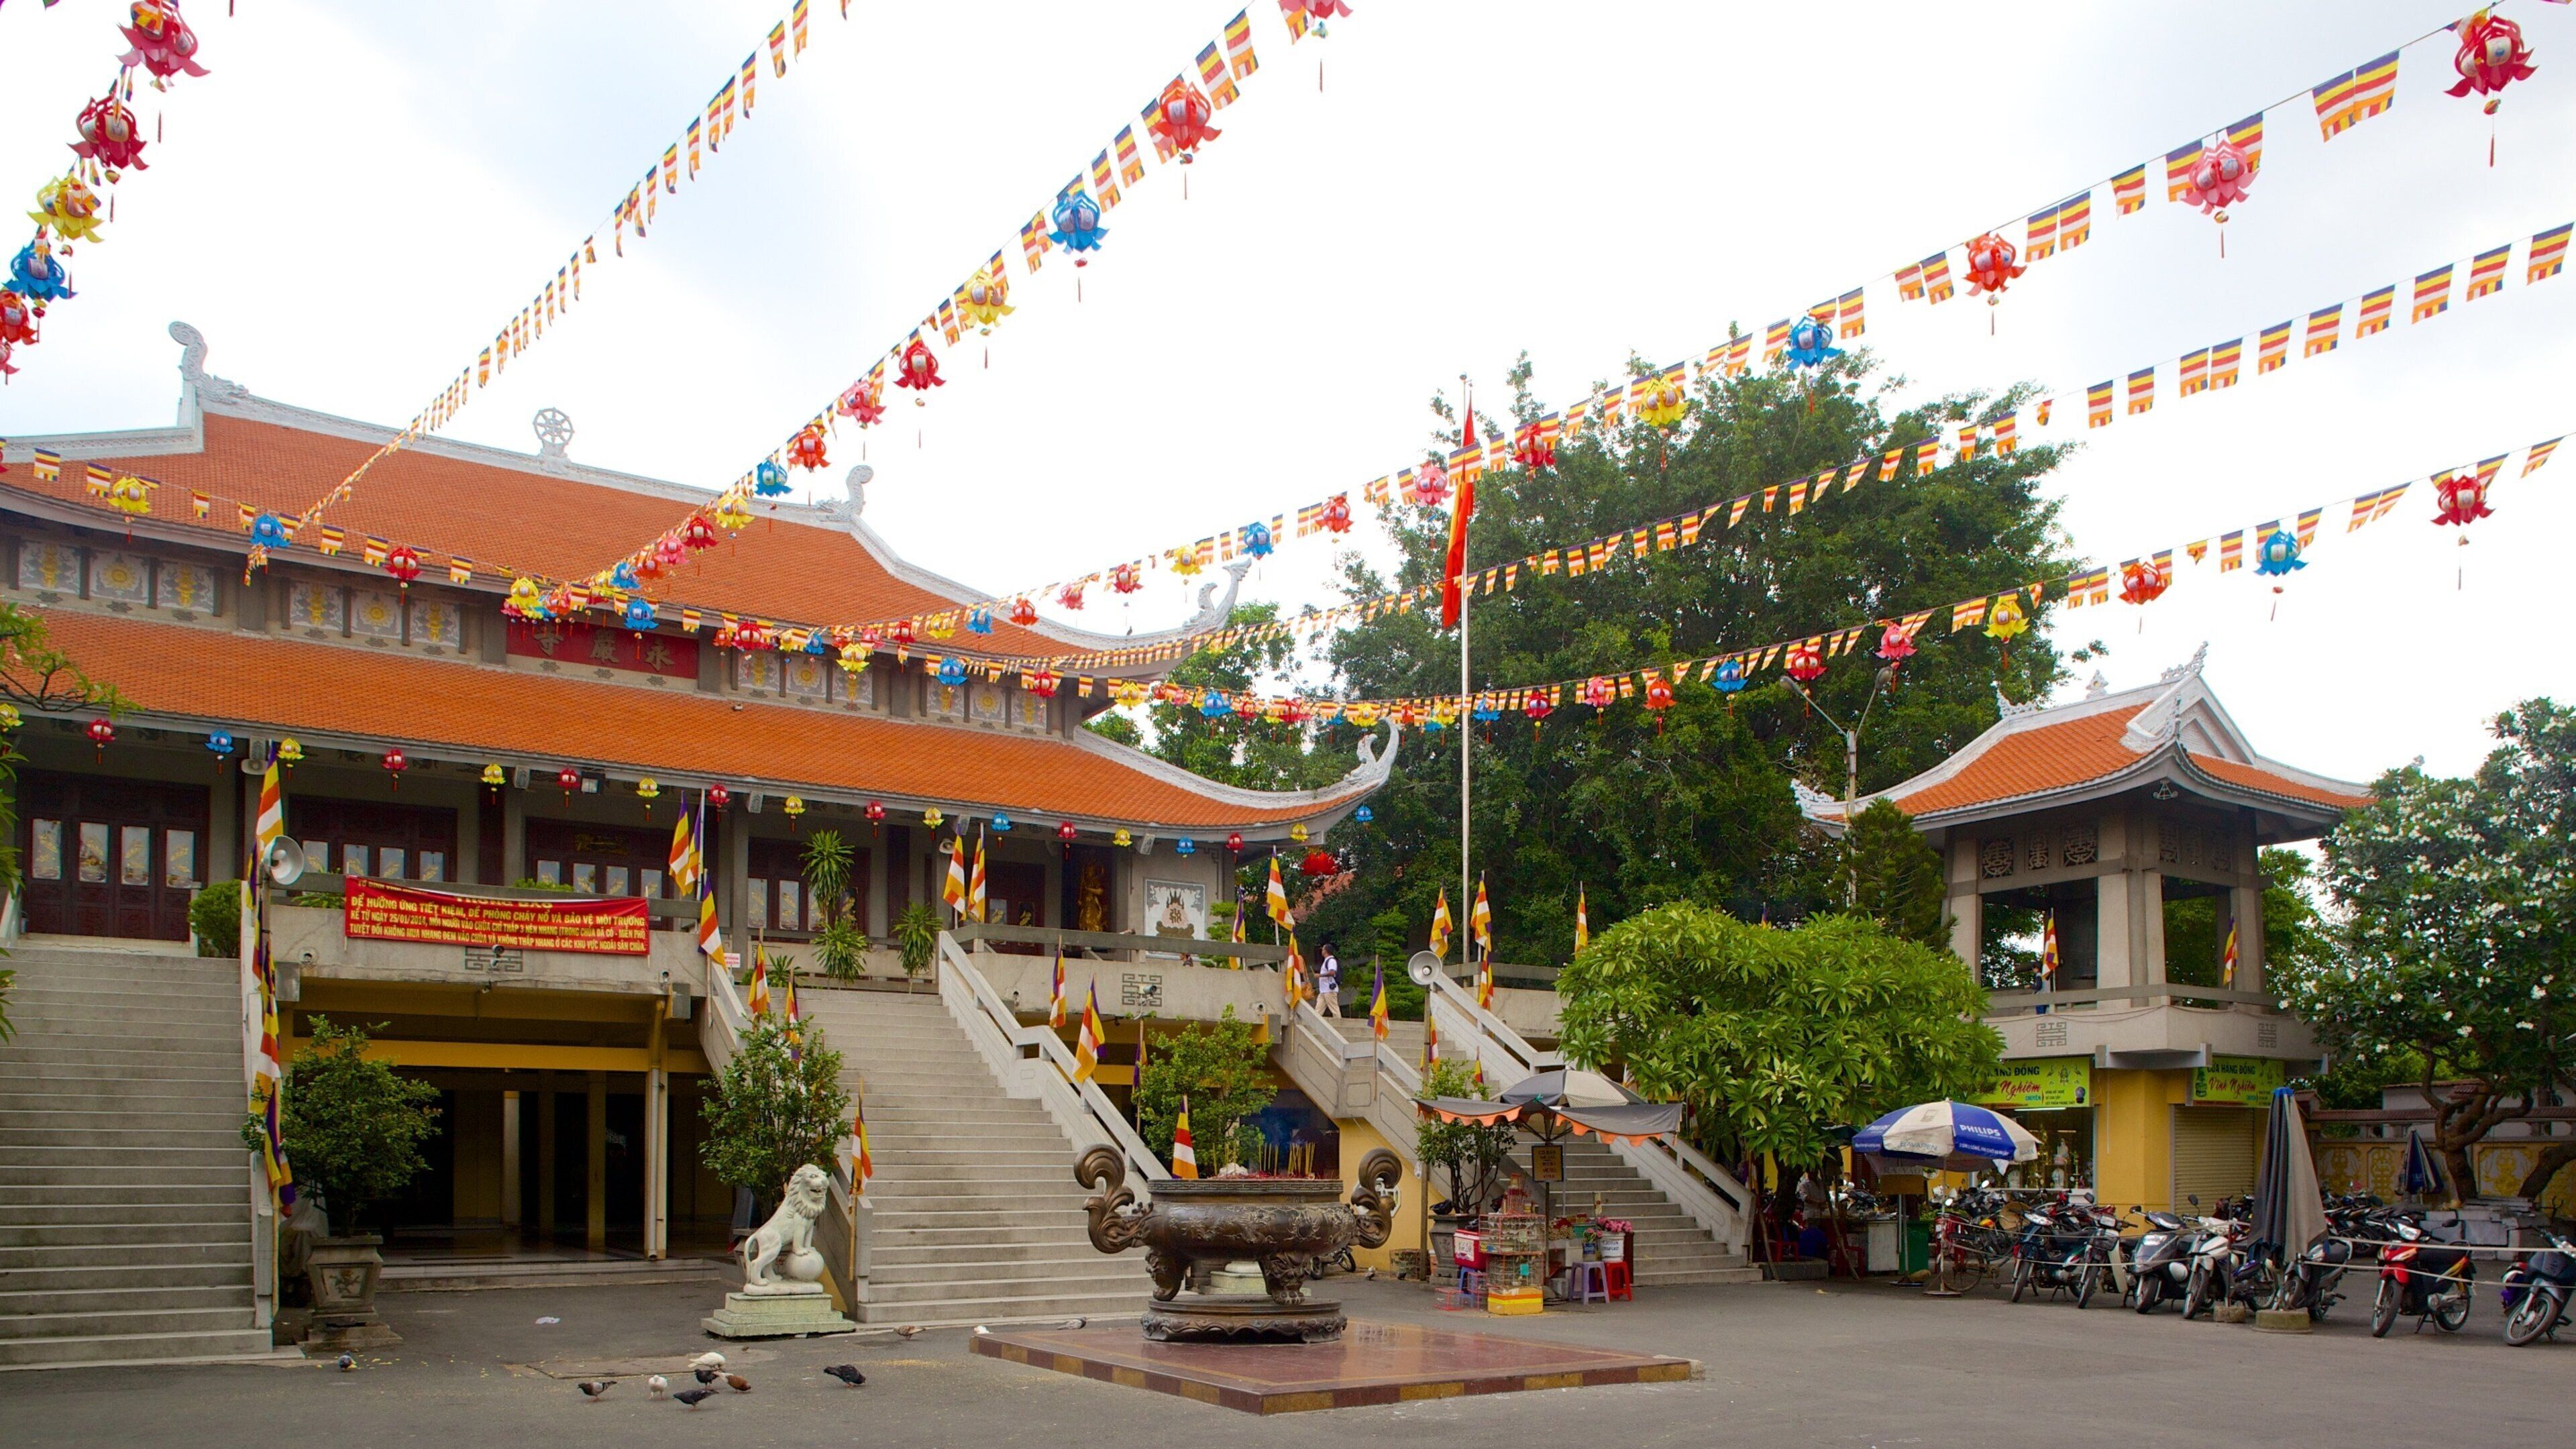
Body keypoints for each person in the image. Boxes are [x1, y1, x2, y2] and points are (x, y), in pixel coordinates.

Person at [1316, 941, 1342, 1016]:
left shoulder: (1331, 961)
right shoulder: (1326, 961)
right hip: (1324, 990)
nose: (1322, 951)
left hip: (1329, 989)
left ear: (1326, 951)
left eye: (1323, 949)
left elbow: (1332, 972)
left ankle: (1339, 1025)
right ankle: (1314, 1026)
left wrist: (1320, 975)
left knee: (1334, 1009)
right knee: (1318, 1010)